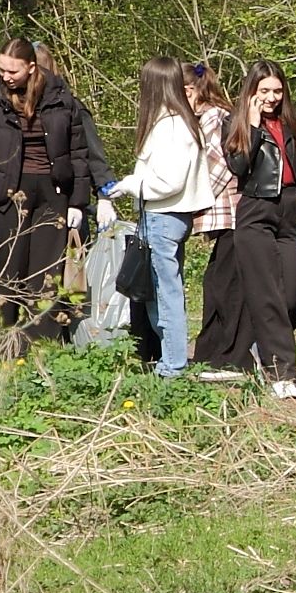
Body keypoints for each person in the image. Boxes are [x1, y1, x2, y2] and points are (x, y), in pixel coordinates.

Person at [0, 37, 112, 335]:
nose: (6, 77)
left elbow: (78, 154)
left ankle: (40, 345)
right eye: (1, 70)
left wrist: (77, 202)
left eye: (13, 71)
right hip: (8, 194)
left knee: (46, 273)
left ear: (32, 67)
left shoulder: (61, 99)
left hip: (53, 194)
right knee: (8, 269)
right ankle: (6, 341)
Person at [220, 60, 296, 397]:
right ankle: (281, 373)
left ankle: (259, 346)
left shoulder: (294, 123)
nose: (271, 97)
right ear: (252, 92)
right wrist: (253, 126)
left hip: (291, 210)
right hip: (255, 209)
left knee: (291, 294)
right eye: (264, 90)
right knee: (267, 292)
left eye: (277, 90)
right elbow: (238, 166)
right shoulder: (235, 123)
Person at [104, 58, 216, 379]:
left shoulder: (171, 126)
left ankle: (173, 365)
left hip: (164, 217)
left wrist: (128, 185)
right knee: (159, 293)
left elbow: (168, 182)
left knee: (165, 295)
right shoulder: (176, 122)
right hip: (166, 217)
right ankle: (171, 361)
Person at [186, 64, 247, 375]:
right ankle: (209, 352)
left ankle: (230, 356)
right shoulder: (202, 117)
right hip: (222, 215)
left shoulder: (214, 116)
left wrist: (192, 200)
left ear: (194, 90)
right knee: (215, 282)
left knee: (226, 285)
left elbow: (219, 165)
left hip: (232, 211)